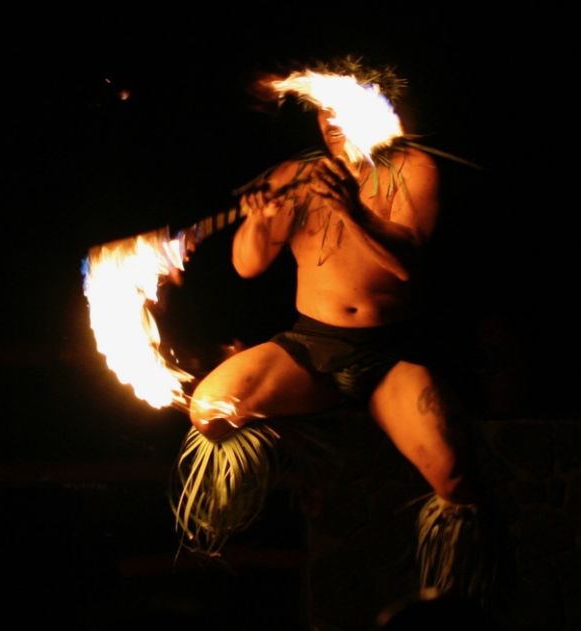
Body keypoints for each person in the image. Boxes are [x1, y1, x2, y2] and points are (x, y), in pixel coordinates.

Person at [186, 60, 475, 508]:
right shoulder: (291, 176)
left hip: (390, 353)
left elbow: (405, 266)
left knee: (455, 480)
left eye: (341, 108)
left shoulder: (415, 169)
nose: (331, 121)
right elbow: (247, 266)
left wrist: (350, 210)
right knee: (210, 410)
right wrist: (260, 223)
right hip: (311, 345)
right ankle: (304, 453)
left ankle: (455, 562)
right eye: (323, 110)